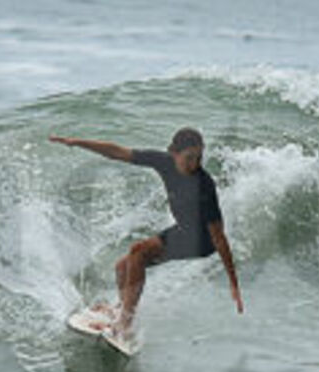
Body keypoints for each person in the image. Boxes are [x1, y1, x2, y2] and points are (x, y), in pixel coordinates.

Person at [49, 126, 243, 338]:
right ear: (173, 153)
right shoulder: (164, 162)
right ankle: (121, 310)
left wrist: (233, 283)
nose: (195, 164)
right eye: (189, 157)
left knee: (138, 252)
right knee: (122, 266)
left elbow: (218, 236)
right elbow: (117, 152)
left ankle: (125, 322)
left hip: (202, 241)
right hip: (183, 231)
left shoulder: (204, 185)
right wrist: (77, 142)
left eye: (199, 157)